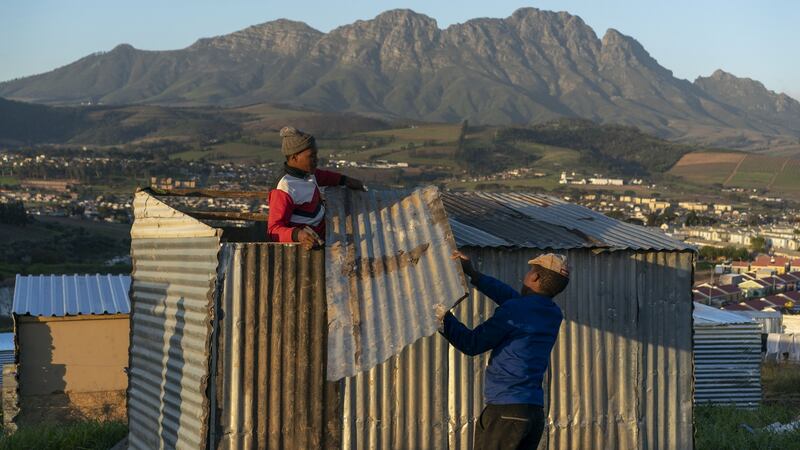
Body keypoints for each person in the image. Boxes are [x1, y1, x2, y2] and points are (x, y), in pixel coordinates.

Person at [437, 251, 569, 450]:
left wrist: (440, 316)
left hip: (506, 412)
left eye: (530, 271)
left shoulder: (516, 311)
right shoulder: (552, 313)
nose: (526, 275)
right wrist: (475, 274)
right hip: (532, 414)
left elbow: (471, 344)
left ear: (535, 277)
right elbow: (512, 299)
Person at [267, 126, 365, 249]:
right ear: (294, 157)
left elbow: (322, 176)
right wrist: (298, 235)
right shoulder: (284, 189)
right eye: (311, 156)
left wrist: (344, 180)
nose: (316, 160)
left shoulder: (306, 173)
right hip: (312, 244)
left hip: (326, 231)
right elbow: (274, 230)